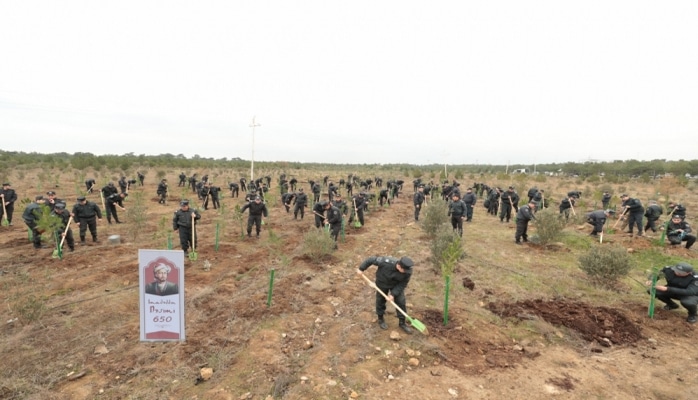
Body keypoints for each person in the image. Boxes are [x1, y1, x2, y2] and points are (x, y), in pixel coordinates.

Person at [357, 256, 415, 334]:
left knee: (401, 301)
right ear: (399, 266)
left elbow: (402, 284)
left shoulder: (407, 272)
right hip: (382, 283)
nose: (405, 272)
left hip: (395, 285)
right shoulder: (385, 262)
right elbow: (370, 260)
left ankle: (402, 322)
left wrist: (393, 294)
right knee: (380, 301)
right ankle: (380, 318)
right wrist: (361, 269)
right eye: (404, 270)